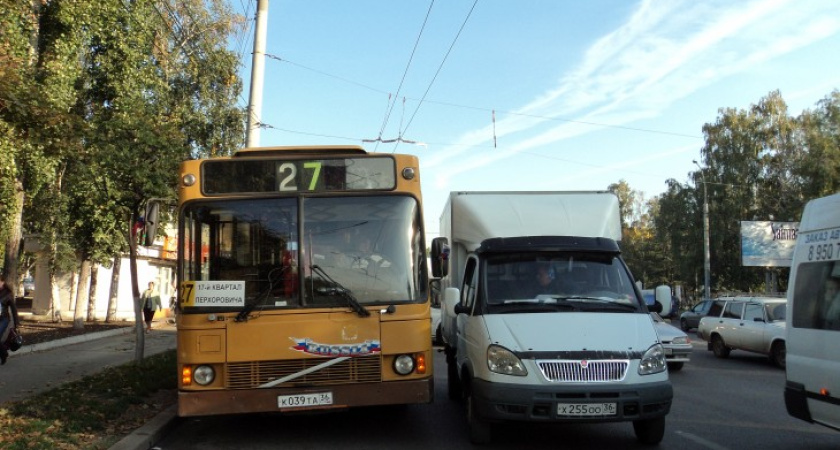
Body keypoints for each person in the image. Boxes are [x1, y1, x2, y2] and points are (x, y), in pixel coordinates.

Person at [0, 274, 21, 365]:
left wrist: (17, 323)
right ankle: (3, 353)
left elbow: (13, 309)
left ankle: (4, 353)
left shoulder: (8, 293)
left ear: (2, 282)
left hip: (3, 318)